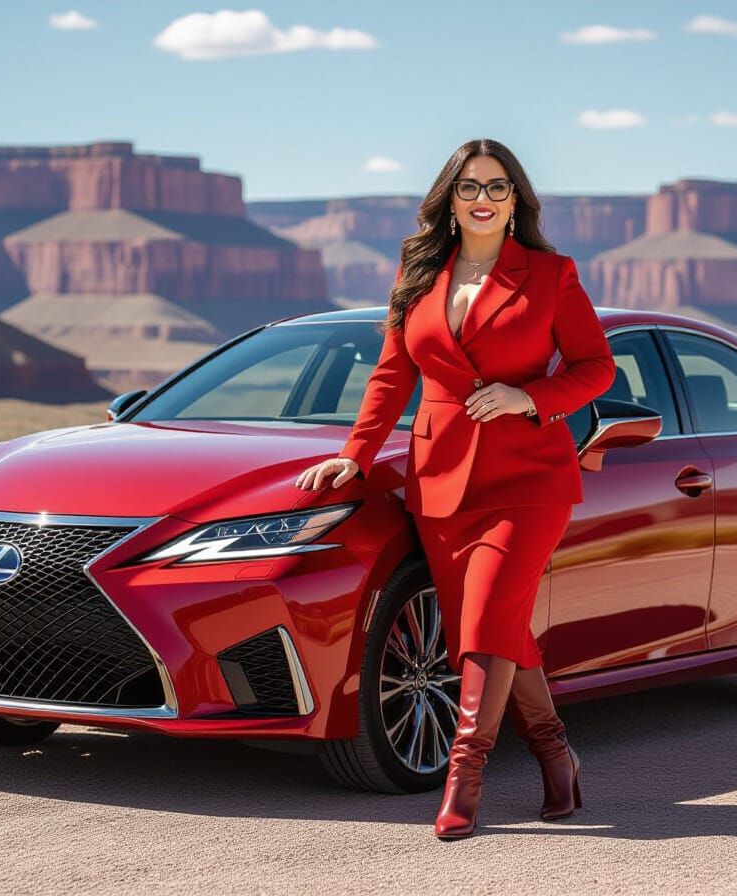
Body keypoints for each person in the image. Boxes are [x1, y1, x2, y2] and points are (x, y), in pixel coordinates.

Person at [294, 138, 616, 839]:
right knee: (496, 631)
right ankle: (558, 758)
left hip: (529, 477)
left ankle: (462, 778)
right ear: (450, 198)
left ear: (515, 202)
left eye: (498, 188)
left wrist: (527, 398)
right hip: (441, 479)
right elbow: (390, 377)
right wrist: (356, 455)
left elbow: (596, 369)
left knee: (485, 625)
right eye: (470, 186)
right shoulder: (418, 272)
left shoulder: (551, 274)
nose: (483, 199)